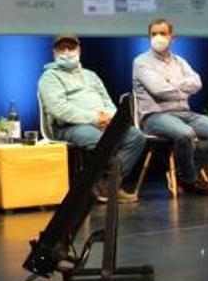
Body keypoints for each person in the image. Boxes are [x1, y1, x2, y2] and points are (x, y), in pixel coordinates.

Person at [38, 33, 147, 203]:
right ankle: (103, 186)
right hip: (68, 126)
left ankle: (108, 184)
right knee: (101, 140)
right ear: (54, 52)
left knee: (136, 137)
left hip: (101, 122)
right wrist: (94, 118)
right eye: (62, 48)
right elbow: (60, 110)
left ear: (79, 50)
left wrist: (111, 118)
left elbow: (107, 101)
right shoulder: (49, 77)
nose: (67, 52)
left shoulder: (91, 75)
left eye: (71, 47)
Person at [132, 18, 208, 195]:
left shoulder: (180, 61)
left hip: (183, 112)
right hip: (155, 115)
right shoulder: (141, 62)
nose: (158, 37)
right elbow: (159, 90)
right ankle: (190, 181)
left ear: (172, 37)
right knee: (186, 133)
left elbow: (197, 83)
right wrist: (183, 88)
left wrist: (172, 82)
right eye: (154, 34)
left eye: (163, 33)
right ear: (148, 37)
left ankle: (181, 172)